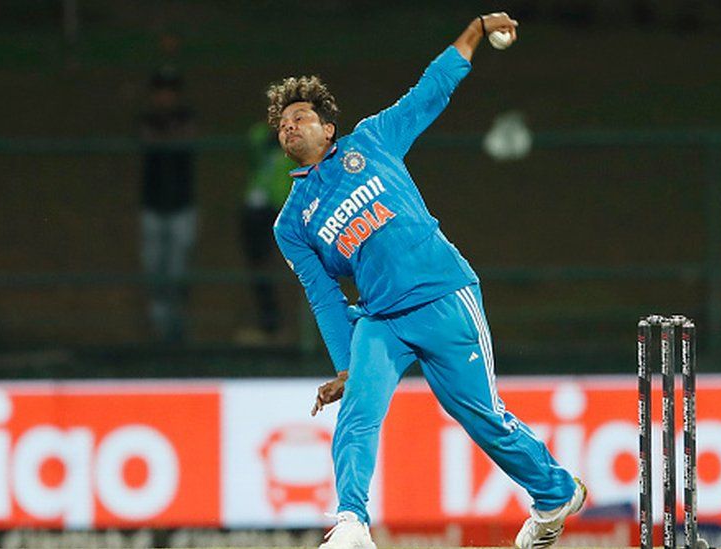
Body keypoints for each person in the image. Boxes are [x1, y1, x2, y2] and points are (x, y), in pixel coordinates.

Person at [268, 12, 586, 549]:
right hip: (382, 320)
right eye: (282, 124)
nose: (288, 126)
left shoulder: (371, 140)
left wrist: (477, 29)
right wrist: (346, 364)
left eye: (300, 116)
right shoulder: (292, 222)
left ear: (328, 127)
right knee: (359, 414)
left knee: (482, 417)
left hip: (444, 297)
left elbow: (429, 92)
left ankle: (555, 494)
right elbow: (324, 296)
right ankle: (350, 522)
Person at [139, 66, 198, 343]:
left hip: (182, 205)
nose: (165, 96)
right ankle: (159, 329)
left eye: (170, 91)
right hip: (152, 205)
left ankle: (176, 329)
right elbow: (148, 140)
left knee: (177, 270)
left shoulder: (187, 116)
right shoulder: (147, 118)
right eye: (161, 91)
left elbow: (186, 138)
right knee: (154, 269)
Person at [235, 122, 297, 344]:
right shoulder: (261, 138)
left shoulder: (299, 139)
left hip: (284, 208)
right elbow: (255, 139)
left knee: (288, 266)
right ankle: (269, 325)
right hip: (256, 211)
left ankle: (290, 328)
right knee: (259, 265)